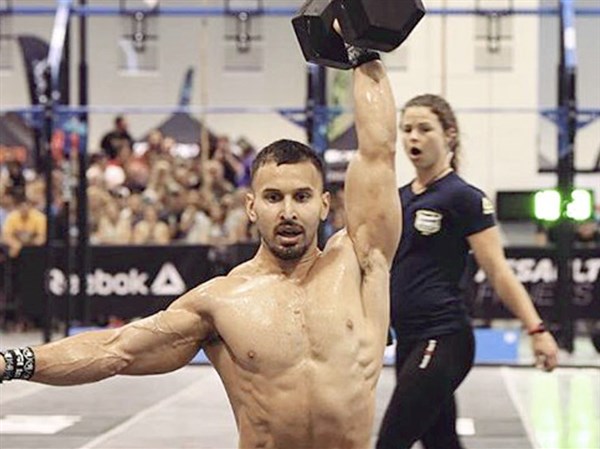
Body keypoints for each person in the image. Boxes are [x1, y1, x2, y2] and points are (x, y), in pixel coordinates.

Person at [0, 56, 401, 448]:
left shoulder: (361, 262)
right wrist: (10, 362)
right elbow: (114, 350)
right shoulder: (221, 302)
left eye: (302, 196)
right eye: (273, 197)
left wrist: (362, 52)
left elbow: (378, 151)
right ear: (251, 207)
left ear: (325, 205)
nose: (288, 212)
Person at [376, 94, 560, 449]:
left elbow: (498, 271)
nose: (413, 137)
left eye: (424, 129)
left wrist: (536, 330)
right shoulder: (399, 197)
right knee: (441, 441)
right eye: (407, 129)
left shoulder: (463, 198)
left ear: (450, 135)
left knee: (391, 441)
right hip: (409, 338)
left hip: (444, 336)